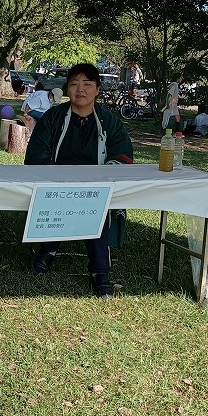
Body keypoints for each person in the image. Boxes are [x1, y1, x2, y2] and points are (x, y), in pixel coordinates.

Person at [24, 63, 134, 297]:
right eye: (74, 84)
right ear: (67, 89)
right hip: (56, 183)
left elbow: (122, 155)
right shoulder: (53, 117)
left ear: (97, 89)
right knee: (60, 198)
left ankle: (100, 271)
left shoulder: (108, 121)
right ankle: (49, 248)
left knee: (96, 203)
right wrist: (57, 178)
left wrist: (102, 177)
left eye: (87, 84)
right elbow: (36, 154)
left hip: (96, 186)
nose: (80, 89)